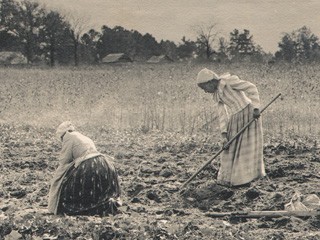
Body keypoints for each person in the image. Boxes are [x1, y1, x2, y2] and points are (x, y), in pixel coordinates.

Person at [196, 68, 265, 187]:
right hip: (236, 119)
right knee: (229, 147)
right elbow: (222, 114)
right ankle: (230, 177)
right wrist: (224, 134)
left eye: (204, 88)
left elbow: (251, 87)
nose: (205, 91)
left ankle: (246, 177)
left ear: (210, 82)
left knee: (246, 145)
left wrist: (256, 108)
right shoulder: (216, 95)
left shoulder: (228, 82)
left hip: (249, 113)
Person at [48, 121, 121, 216]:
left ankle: (86, 207)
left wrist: (57, 181)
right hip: (103, 162)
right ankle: (105, 204)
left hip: (89, 165)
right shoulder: (83, 137)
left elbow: (65, 160)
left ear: (62, 134)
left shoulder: (68, 137)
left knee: (73, 186)